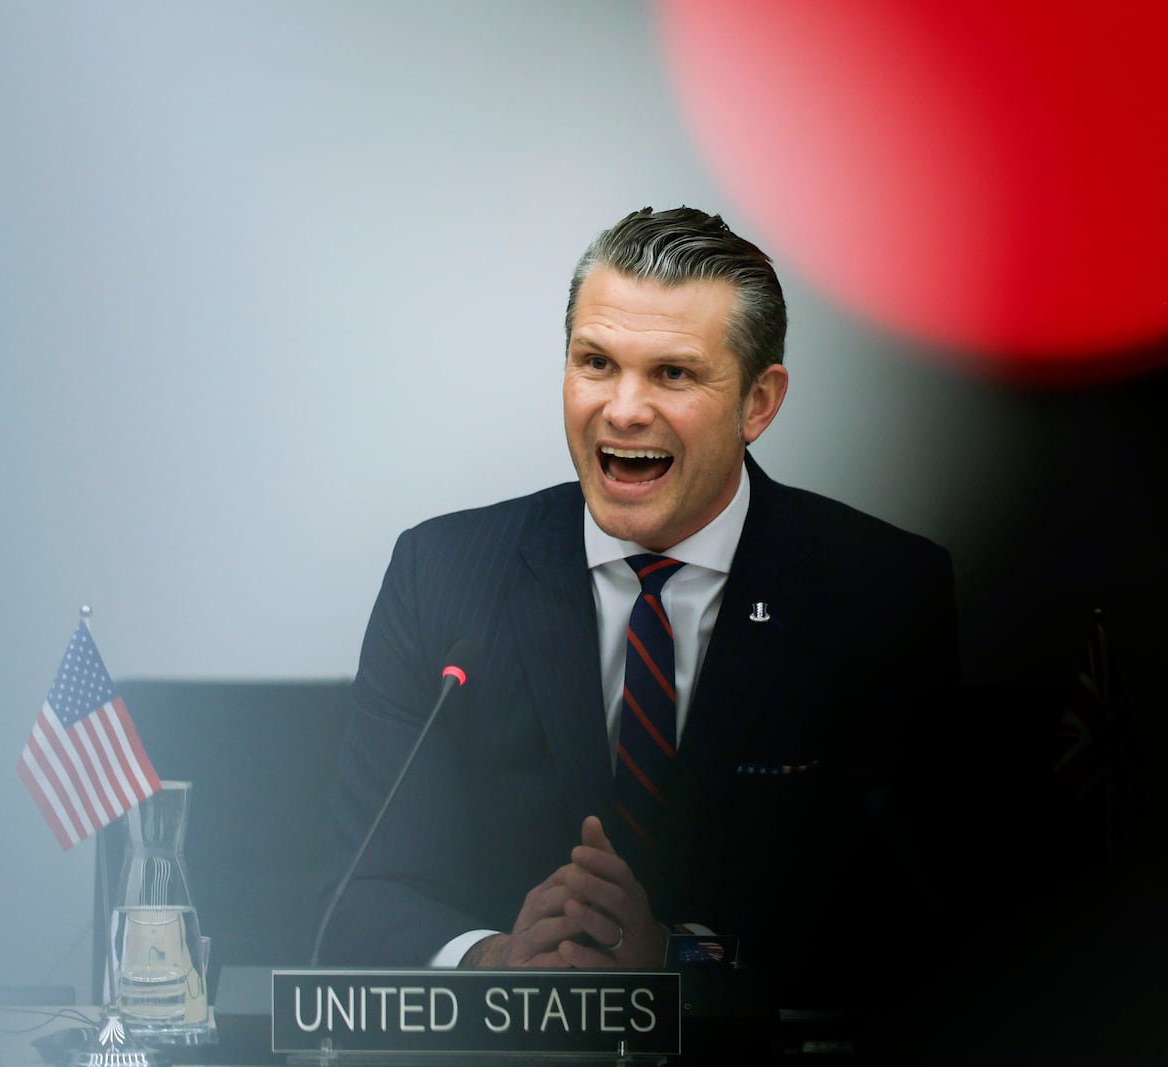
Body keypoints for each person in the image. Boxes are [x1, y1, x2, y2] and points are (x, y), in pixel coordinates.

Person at [319, 206, 959, 1025]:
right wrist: (493, 960)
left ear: (758, 403)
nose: (623, 409)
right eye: (596, 362)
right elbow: (362, 898)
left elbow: (920, 936)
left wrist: (677, 959)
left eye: (673, 374)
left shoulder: (882, 591)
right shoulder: (440, 574)